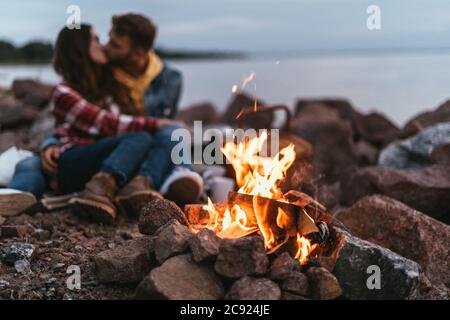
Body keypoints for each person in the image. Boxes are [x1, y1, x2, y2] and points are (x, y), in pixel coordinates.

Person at [3, 14, 203, 218]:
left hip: (109, 156)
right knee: (144, 136)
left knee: (166, 134)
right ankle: (105, 187)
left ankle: (144, 184)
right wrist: (50, 143)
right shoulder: (64, 91)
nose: (105, 46)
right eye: (98, 40)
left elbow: (115, 129)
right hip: (77, 160)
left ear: (137, 53)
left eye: (112, 44)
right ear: (81, 49)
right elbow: (107, 124)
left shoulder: (113, 86)